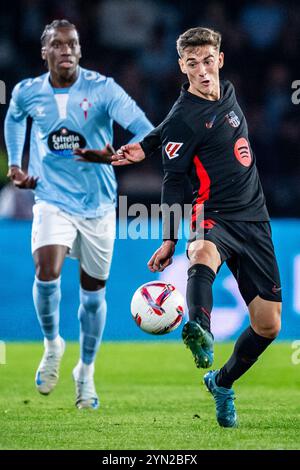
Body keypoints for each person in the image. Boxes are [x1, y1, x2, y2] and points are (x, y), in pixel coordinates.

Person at [106, 27, 282, 427]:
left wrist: (148, 142)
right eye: (192, 64)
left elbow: (167, 126)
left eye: (207, 61)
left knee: (269, 326)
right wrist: (169, 239)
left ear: (219, 60)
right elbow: (173, 180)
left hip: (255, 218)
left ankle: (221, 381)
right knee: (201, 251)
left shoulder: (228, 93)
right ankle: (200, 332)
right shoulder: (185, 118)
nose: (202, 71)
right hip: (212, 213)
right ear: (181, 67)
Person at [4, 19, 153, 409]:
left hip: (99, 206)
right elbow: (14, 115)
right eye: (57, 44)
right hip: (51, 199)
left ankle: (85, 371)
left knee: (92, 297)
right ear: (44, 52)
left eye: (72, 44)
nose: (66, 50)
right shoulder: (27, 91)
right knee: (47, 269)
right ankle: (53, 343)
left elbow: (145, 131)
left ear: (81, 51)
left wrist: (113, 155)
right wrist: (17, 165)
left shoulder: (103, 89)